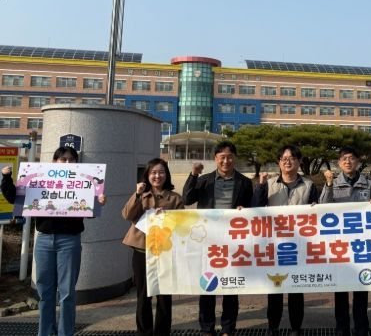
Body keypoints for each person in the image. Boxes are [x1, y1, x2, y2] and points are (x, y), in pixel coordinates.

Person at [182, 140, 253, 336]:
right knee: (207, 285)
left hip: (233, 242)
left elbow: (252, 209)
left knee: (231, 286)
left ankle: (228, 328)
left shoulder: (245, 182)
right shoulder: (205, 180)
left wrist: (245, 210)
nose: (226, 161)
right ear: (215, 159)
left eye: (230, 157)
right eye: (222, 157)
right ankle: (207, 328)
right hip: (208, 242)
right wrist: (193, 175)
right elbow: (187, 199)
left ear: (235, 158)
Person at [34, 146, 107, 336]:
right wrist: (6, 178)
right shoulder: (40, 180)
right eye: (63, 159)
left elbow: (89, 213)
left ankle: (65, 333)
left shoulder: (83, 182)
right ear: (55, 162)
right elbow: (16, 199)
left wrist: (97, 203)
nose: (67, 162)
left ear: (76, 162)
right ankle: (45, 332)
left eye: (71, 159)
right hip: (44, 240)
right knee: (45, 292)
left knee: (67, 293)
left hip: (69, 241)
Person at [253, 145, 320, 336]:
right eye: (284, 158)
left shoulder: (308, 185)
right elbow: (255, 208)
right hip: (275, 245)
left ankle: (296, 328)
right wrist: (260, 186)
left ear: (299, 161)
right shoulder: (269, 184)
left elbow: (317, 212)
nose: (288, 161)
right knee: (275, 288)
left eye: (292, 158)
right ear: (278, 162)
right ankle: (273, 326)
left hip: (299, 245)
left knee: (296, 288)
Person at [319, 146, 371, 336]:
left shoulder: (368, 184)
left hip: (362, 245)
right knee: (341, 290)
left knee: (362, 288)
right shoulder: (333, 183)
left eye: (352, 158)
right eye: (344, 158)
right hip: (340, 246)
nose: (348, 161)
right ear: (339, 163)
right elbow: (322, 208)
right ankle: (342, 328)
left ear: (358, 162)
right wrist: (328, 185)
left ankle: (361, 328)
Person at [122, 158, 184, 336]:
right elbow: (127, 215)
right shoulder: (141, 195)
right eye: (153, 172)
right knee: (143, 295)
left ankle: (162, 332)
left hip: (165, 252)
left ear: (167, 175)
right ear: (147, 175)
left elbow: (182, 224)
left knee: (164, 296)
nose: (157, 176)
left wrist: (167, 217)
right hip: (141, 251)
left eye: (161, 172)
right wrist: (137, 194)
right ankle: (144, 332)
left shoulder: (175, 198)